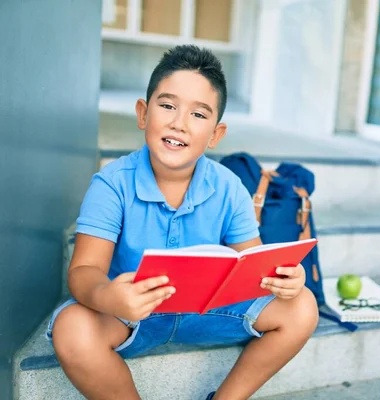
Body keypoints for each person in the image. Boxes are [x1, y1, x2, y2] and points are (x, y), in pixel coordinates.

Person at [45, 45, 319, 400]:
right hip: (132, 314)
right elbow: (83, 270)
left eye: (199, 114)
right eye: (168, 105)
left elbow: (254, 267)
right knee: (72, 329)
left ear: (216, 134)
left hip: (207, 314)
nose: (179, 123)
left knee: (303, 306)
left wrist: (284, 280)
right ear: (143, 113)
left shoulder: (228, 187)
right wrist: (108, 296)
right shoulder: (112, 183)